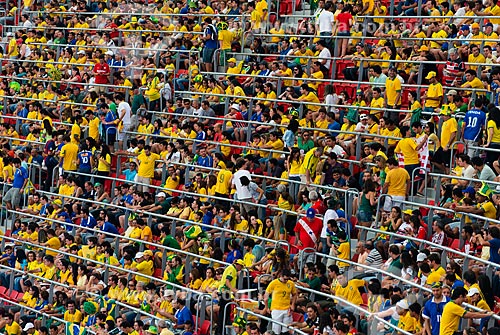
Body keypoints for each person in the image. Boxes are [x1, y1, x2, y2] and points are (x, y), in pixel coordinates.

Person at [263, 269, 297, 335]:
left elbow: (295, 294)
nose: (286, 281)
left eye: (287, 279)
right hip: (276, 310)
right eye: (284, 279)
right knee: (276, 331)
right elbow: (266, 297)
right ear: (280, 276)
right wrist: (267, 307)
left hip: (287, 309)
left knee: (287, 330)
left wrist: (293, 304)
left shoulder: (291, 283)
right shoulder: (273, 283)